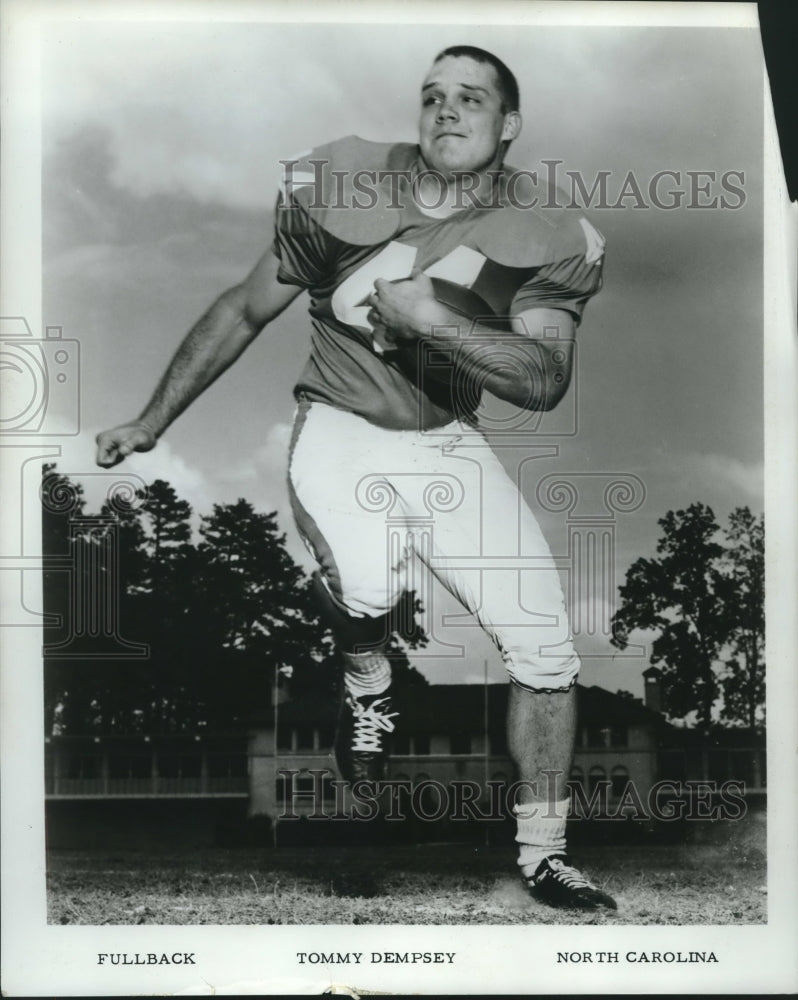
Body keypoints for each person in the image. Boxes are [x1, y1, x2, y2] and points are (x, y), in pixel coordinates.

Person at [96, 45, 616, 910]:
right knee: (367, 584)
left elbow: (543, 379)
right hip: (341, 426)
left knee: (545, 647)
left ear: (509, 125)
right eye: (433, 96)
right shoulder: (343, 185)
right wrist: (152, 420)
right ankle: (369, 687)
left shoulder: (546, 229)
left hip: (449, 440)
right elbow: (241, 306)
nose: (446, 111)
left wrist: (432, 322)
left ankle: (545, 853)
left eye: (472, 99)